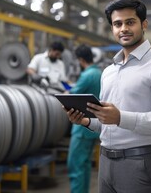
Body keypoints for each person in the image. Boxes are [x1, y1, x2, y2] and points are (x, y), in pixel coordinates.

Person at [65, 0, 151, 193]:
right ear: (112, 28)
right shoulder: (109, 72)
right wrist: (86, 121)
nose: (123, 29)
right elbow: (107, 122)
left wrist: (120, 117)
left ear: (144, 24)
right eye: (117, 24)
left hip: (141, 162)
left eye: (130, 22)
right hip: (106, 161)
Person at [67, 44, 101, 193]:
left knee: (75, 165)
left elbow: (72, 94)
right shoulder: (99, 73)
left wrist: (66, 91)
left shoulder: (87, 75)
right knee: (85, 164)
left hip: (81, 126)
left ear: (81, 60)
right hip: (94, 125)